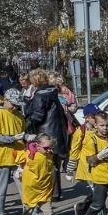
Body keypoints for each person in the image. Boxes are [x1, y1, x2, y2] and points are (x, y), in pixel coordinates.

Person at [24, 68, 69, 201]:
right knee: (54, 164)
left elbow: (38, 116)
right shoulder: (52, 92)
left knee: (47, 164)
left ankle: (51, 193)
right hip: (56, 132)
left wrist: (27, 124)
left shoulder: (40, 95)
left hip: (45, 132)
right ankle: (56, 192)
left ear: (35, 80)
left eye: (31, 79)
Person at [15, 133, 65, 215]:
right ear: (37, 146)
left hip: (44, 190)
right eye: (46, 148)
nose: (49, 150)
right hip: (31, 189)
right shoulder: (30, 156)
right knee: (27, 214)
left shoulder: (48, 155)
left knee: (49, 212)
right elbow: (19, 158)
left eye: (51, 148)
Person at [0, 88, 26, 215]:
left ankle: (31, 214)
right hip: (3, 157)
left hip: (19, 157)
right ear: (5, 100)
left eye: (17, 104)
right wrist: (12, 139)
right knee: (1, 188)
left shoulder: (19, 116)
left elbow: (23, 133)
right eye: (13, 103)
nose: (15, 106)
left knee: (25, 187)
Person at [70, 104, 108, 215]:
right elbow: (74, 150)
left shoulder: (100, 129)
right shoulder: (80, 131)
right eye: (94, 116)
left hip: (101, 167)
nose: (97, 118)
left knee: (98, 194)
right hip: (87, 168)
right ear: (87, 117)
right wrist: (70, 169)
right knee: (99, 195)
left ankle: (81, 208)